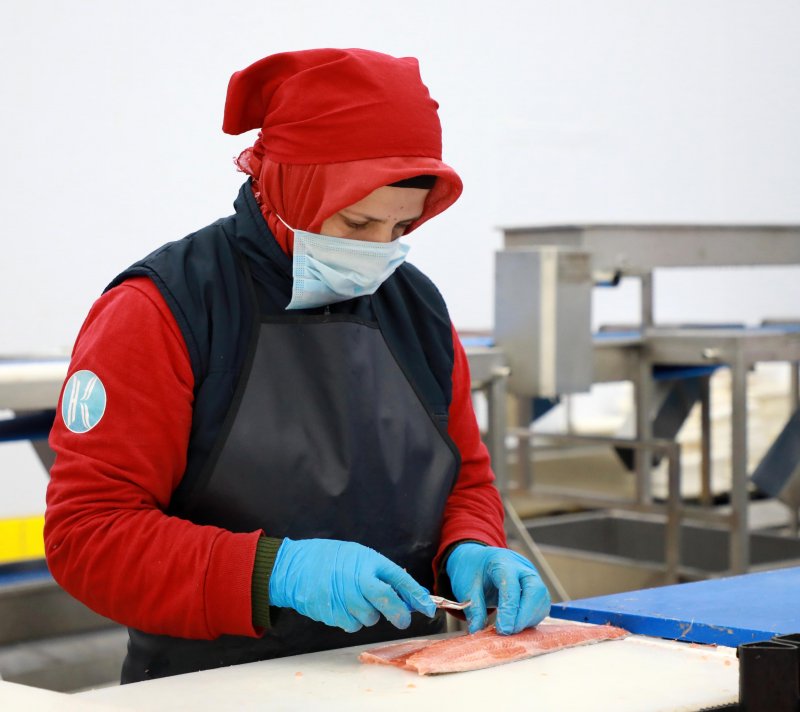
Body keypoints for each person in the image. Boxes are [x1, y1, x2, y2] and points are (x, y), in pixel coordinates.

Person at [44, 48, 550, 683]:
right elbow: (88, 537)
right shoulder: (165, 308)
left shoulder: (416, 309)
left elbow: (463, 481)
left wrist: (472, 545)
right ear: (289, 187)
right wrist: (272, 573)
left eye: (400, 228)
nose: (378, 253)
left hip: (397, 678)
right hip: (213, 687)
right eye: (357, 222)